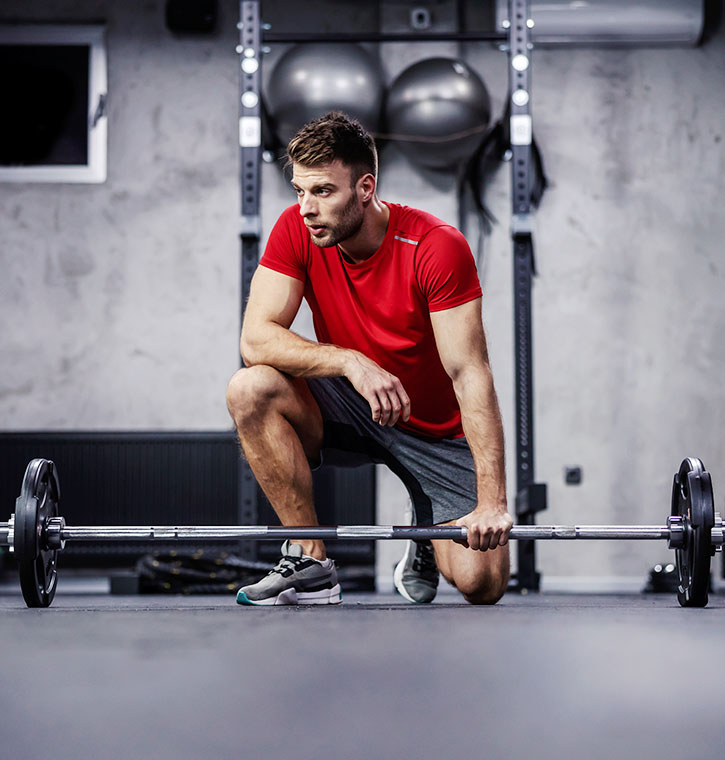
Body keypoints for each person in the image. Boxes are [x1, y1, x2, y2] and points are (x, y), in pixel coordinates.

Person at [226, 111, 513, 606]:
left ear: (364, 187)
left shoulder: (435, 246)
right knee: (249, 388)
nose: (306, 208)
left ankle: (426, 528)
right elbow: (256, 340)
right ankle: (311, 560)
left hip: (435, 432)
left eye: (322, 192)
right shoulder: (297, 231)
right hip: (351, 405)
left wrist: (493, 503)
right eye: (299, 191)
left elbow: (470, 374)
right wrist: (350, 362)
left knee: (481, 585)